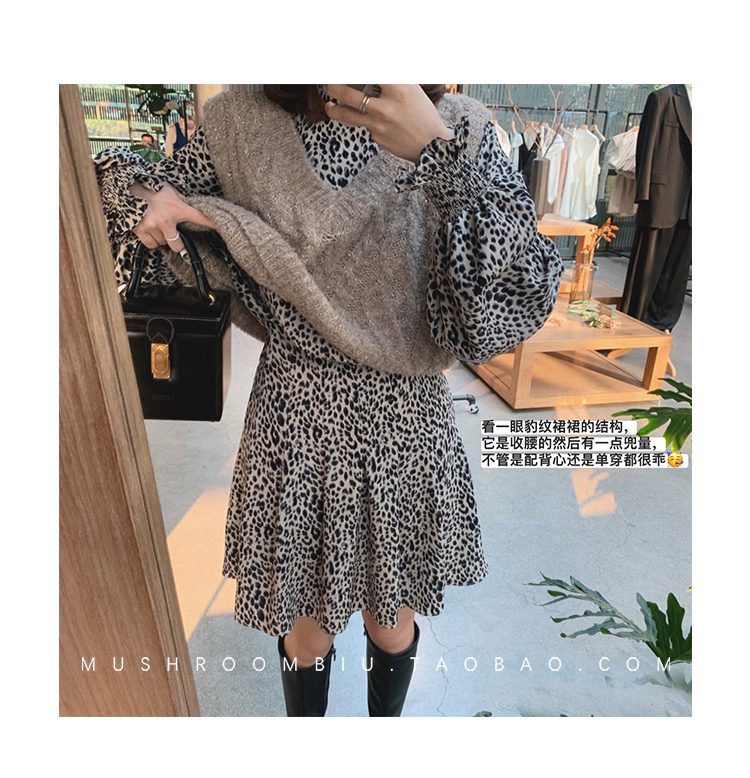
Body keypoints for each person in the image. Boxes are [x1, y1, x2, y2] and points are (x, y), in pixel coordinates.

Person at [94, 84, 563, 717]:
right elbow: (120, 190)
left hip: (407, 423)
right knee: (307, 633)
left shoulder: (457, 123)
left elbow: (516, 299)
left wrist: (439, 153)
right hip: (296, 416)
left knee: (390, 622)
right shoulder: (239, 121)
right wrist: (156, 203)